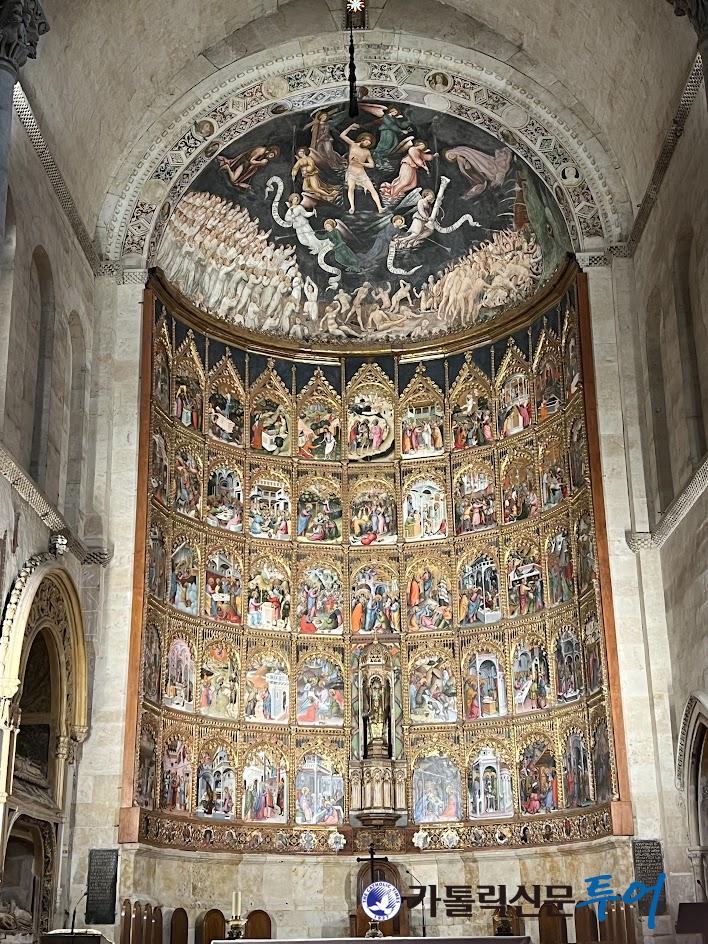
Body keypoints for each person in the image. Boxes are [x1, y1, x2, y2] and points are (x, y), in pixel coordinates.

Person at [339, 124, 385, 213]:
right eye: (367, 142)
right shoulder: (353, 144)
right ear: (362, 140)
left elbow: (372, 165)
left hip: (361, 173)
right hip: (351, 172)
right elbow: (342, 135)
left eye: (369, 144)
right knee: (351, 188)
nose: (367, 144)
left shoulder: (367, 152)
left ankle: (380, 208)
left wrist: (361, 163)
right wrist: (350, 127)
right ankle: (352, 207)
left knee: (372, 189)